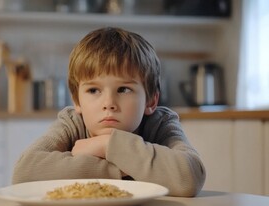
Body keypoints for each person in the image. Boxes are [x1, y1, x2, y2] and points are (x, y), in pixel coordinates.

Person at [12, 27, 206, 197]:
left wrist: (107, 145)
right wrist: (119, 170)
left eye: (123, 89)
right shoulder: (72, 123)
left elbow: (189, 177)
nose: (109, 104)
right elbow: (24, 173)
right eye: (93, 90)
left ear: (151, 100)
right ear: (77, 100)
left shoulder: (160, 123)